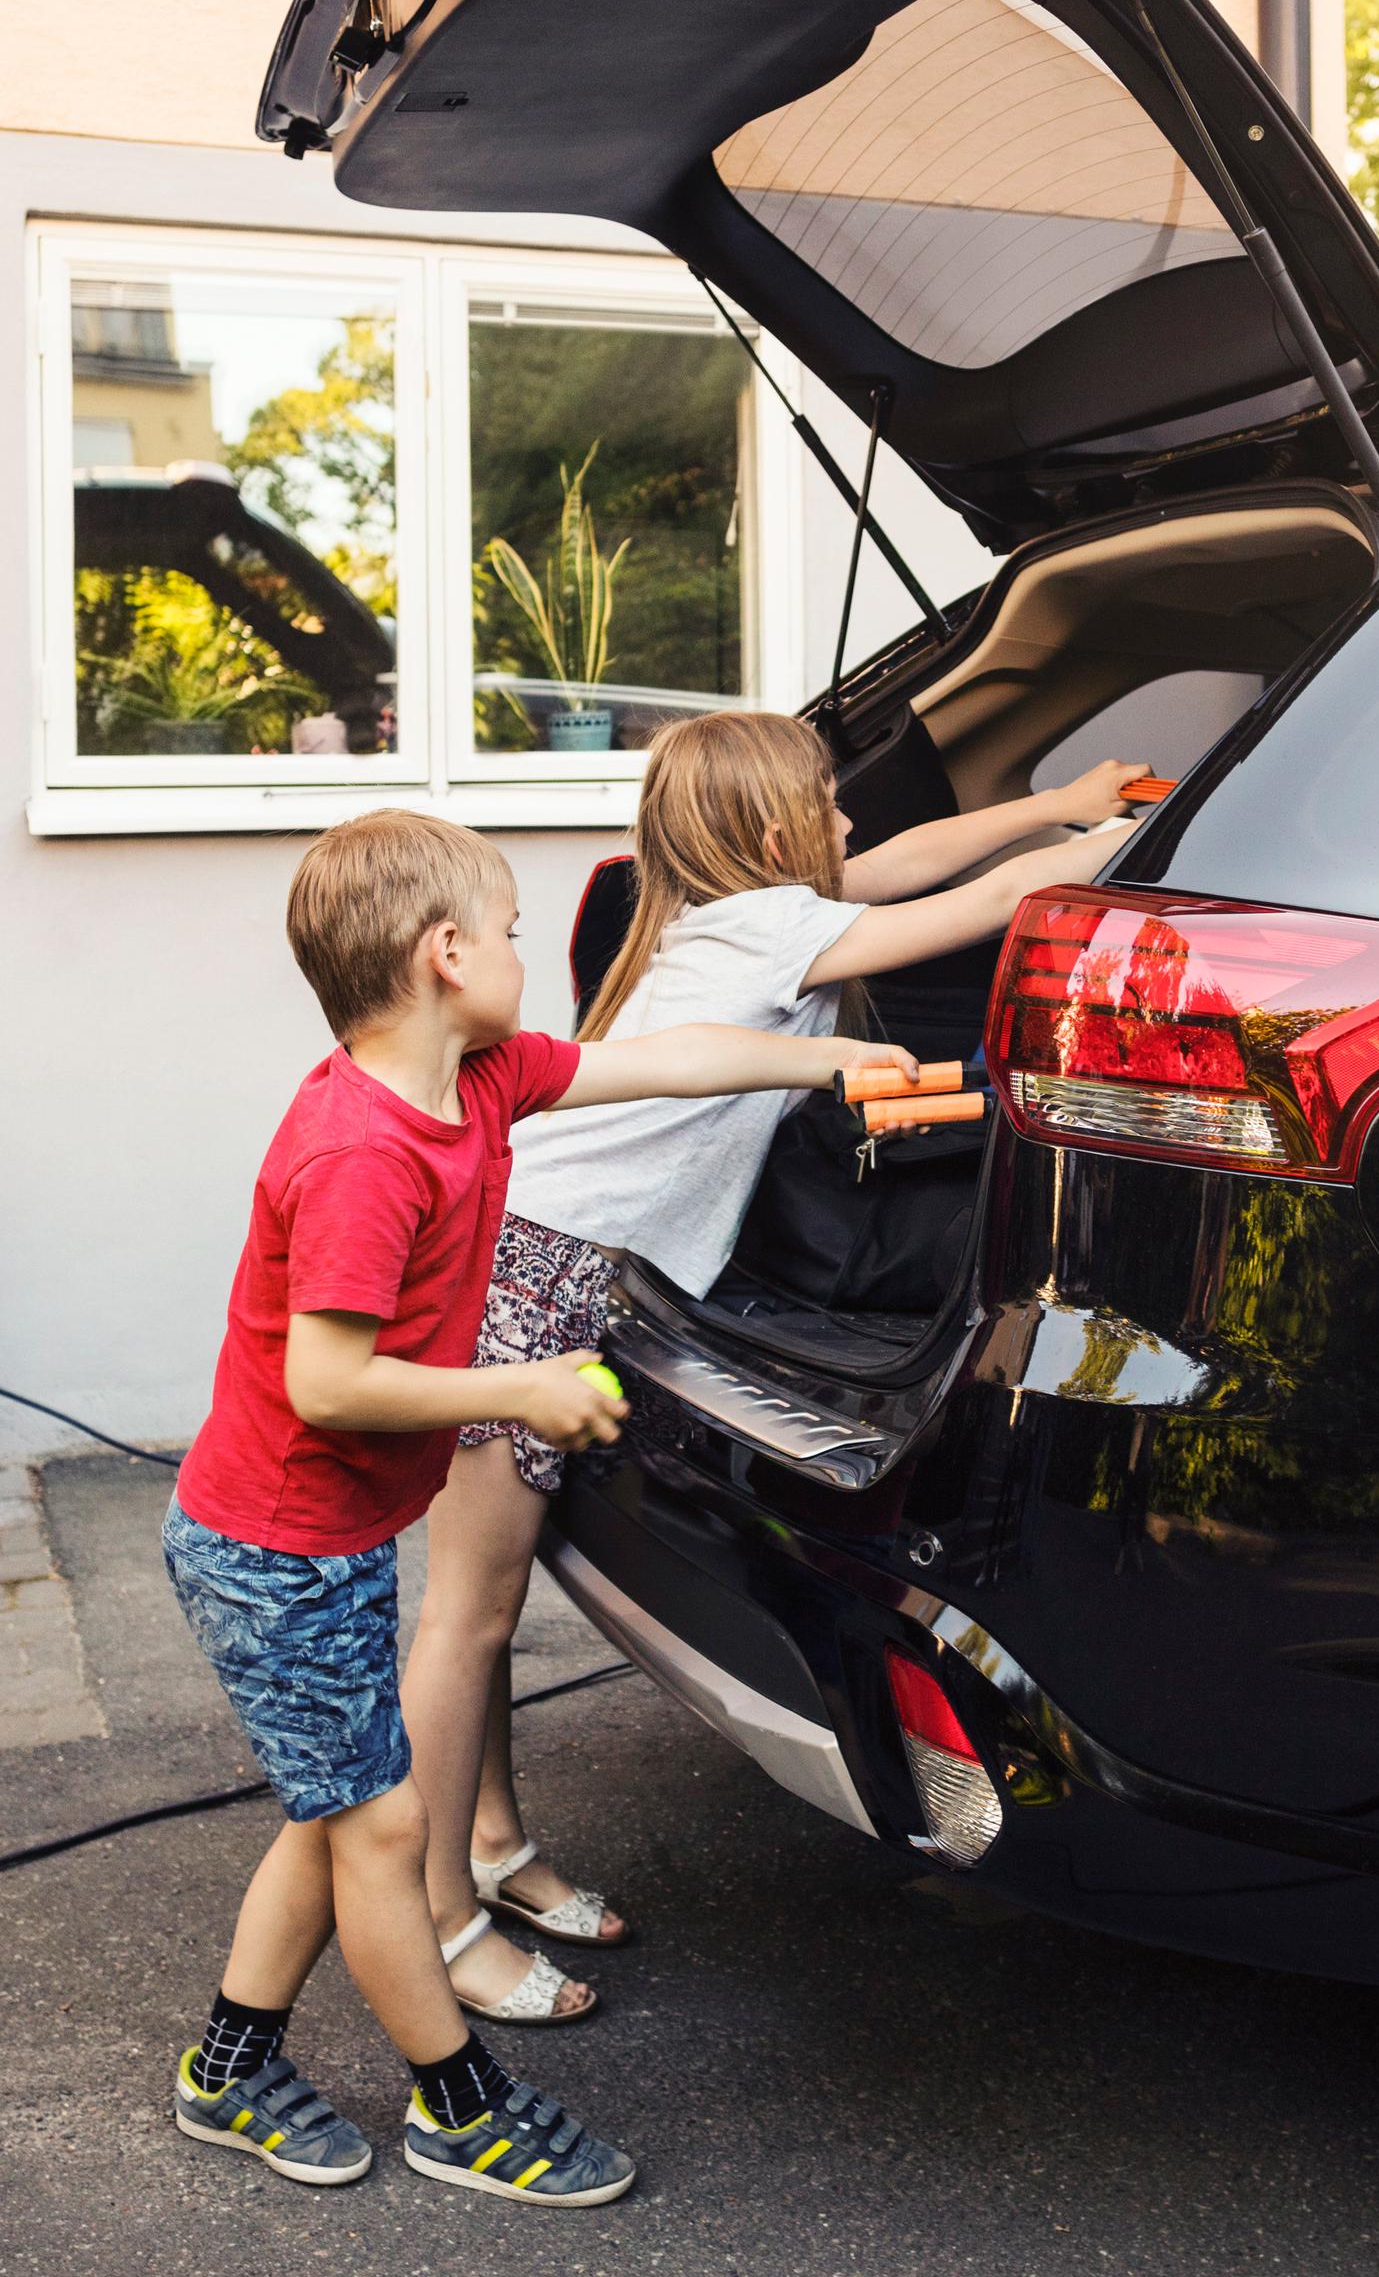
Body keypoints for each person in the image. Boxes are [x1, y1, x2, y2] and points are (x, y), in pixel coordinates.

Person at [162, 806, 912, 2202]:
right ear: (445, 955)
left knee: (336, 1816)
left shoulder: (484, 1079)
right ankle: (459, 2107)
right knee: (380, 1830)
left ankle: (230, 2066)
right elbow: (327, 1384)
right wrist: (520, 1390)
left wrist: (827, 1057)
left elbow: (667, 1060)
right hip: (267, 1549)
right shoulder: (363, 1153)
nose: (523, 951)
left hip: (313, 1544)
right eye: (508, 932)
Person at [405, 712, 1140, 2024]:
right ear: (766, 830)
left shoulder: (729, 909)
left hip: (545, 1266)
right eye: (827, 805)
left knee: (489, 1608)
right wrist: (1128, 839)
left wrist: (1053, 798)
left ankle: (493, 1847)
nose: (850, 824)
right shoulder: (768, 929)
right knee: (465, 1618)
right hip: (524, 1274)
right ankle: (440, 1923)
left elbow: (915, 860)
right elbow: (977, 899)